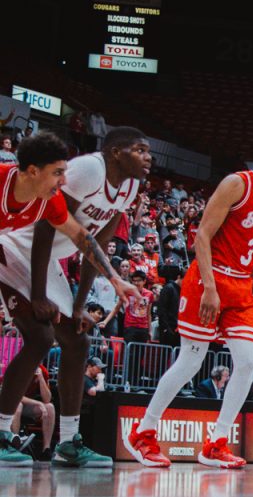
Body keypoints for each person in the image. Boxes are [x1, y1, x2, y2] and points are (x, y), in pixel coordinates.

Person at [123, 136, 253, 469]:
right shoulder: (238, 183)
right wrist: (208, 287)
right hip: (210, 276)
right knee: (191, 360)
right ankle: (143, 431)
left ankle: (216, 443)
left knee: (247, 364)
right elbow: (202, 234)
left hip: (241, 287)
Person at [0, 130, 146, 468]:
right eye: (57, 173)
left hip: (28, 256)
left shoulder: (50, 199)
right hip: (12, 250)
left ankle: (67, 442)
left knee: (69, 341)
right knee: (40, 336)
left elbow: (82, 237)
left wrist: (114, 278)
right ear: (32, 171)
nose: (64, 180)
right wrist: (37, 296)